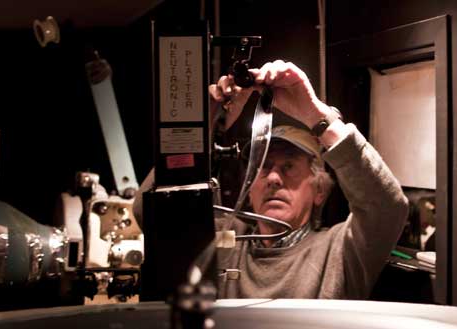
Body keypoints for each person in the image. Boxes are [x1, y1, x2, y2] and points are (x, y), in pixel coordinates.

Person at [136, 60, 409, 300]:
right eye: (263, 167)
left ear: (319, 192)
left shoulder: (340, 250)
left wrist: (315, 114)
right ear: (249, 187)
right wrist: (201, 127)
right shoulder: (225, 240)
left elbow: (387, 208)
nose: (274, 178)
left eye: (289, 166)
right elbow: (149, 213)